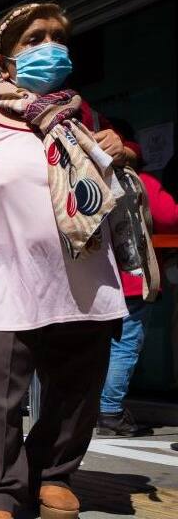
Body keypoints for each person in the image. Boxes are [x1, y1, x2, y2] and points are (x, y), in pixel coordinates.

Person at [0, 3, 129, 519]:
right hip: (2, 285)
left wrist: (121, 149)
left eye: (59, 37)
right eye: (35, 38)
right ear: (3, 61)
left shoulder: (87, 119)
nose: (51, 47)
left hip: (83, 281)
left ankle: (54, 473)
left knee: (76, 391)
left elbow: (117, 186)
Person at [98, 165, 178, 436]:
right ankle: (109, 411)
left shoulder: (86, 172)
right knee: (125, 346)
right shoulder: (138, 177)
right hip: (131, 277)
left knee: (101, 347)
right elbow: (169, 216)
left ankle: (98, 407)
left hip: (96, 278)